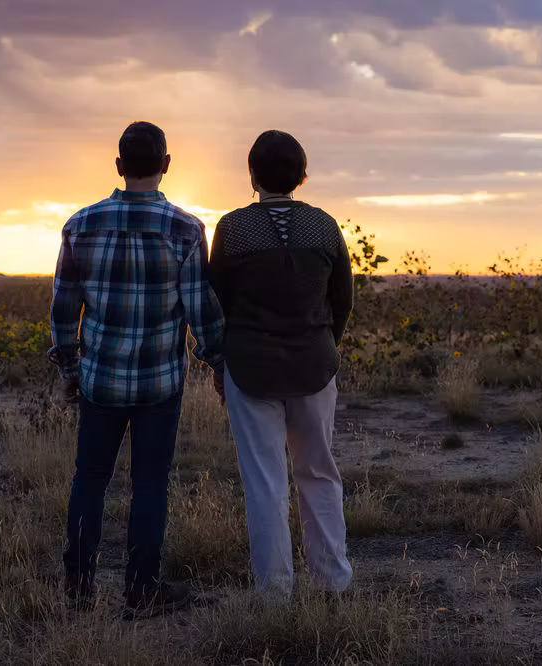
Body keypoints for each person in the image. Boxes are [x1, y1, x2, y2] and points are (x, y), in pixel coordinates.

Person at [48, 121, 225, 617]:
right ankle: (142, 590)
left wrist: (68, 367)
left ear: (119, 167)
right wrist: (217, 363)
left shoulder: (81, 224)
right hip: (159, 384)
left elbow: (64, 308)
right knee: (150, 483)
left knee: (90, 478)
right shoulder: (186, 229)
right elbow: (199, 308)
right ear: (166, 166)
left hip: (99, 380)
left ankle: (78, 589)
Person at [209, 129, 354, 599]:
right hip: (314, 365)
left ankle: (274, 594)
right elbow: (342, 301)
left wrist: (221, 361)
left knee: (265, 482)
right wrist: (325, 345)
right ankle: (332, 583)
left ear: (252, 174)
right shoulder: (326, 226)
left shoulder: (232, 229)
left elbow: (219, 301)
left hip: (250, 368)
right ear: (302, 175)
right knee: (319, 473)